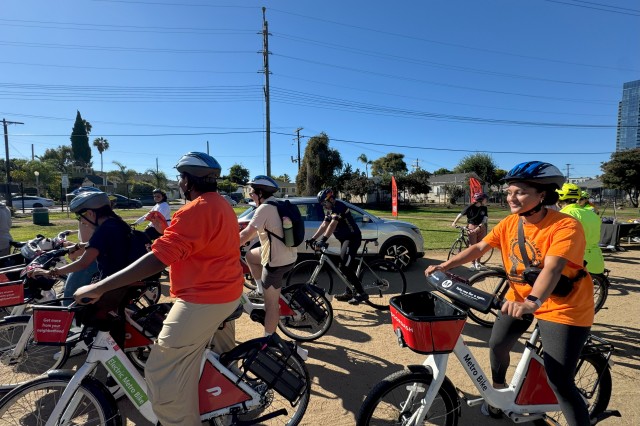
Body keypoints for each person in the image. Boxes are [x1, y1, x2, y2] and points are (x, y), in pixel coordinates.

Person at [74, 152, 243, 426]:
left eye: (180, 179)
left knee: (160, 369)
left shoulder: (195, 209)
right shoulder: (222, 204)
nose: (179, 184)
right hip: (226, 292)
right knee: (198, 357)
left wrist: (101, 286)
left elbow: (158, 259)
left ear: (188, 181)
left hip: (203, 298)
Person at [425, 161, 594, 425]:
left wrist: (532, 302)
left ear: (543, 195)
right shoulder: (510, 223)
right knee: (498, 345)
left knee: (559, 380)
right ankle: (499, 396)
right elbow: (480, 247)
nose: (511, 198)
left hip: (563, 305)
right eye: (509, 192)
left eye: (520, 192)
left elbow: (553, 267)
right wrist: (445, 265)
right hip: (520, 297)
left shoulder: (565, 226)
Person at [239, 175, 297, 336]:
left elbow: (246, 233)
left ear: (260, 192)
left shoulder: (264, 208)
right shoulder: (277, 204)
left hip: (276, 262)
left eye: (251, 192)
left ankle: (268, 340)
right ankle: (259, 288)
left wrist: (224, 248)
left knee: (270, 305)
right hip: (289, 255)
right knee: (250, 256)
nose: (250, 195)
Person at [309, 188, 368, 305]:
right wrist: (313, 238)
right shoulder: (330, 210)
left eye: (324, 203)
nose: (324, 206)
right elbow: (324, 225)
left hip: (352, 239)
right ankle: (350, 292)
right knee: (342, 266)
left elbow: (333, 224)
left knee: (345, 267)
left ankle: (362, 293)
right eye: (322, 204)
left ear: (330, 199)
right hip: (345, 240)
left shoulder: (339, 207)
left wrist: (323, 240)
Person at [556, 183, 605, 276]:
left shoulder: (563, 215)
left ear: (559, 201)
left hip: (574, 261)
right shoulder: (592, 214)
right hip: (595, 259)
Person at [451, 192, 489, 269]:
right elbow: (460, 214)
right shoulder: (470, 207)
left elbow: (484, 220)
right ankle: (472, 263)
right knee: (472, 247)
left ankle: (478, 263)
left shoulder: (484, 208)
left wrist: (479, 228)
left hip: (481, 228)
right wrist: (454, 222)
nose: (486, 201)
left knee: (481, 246)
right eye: (485, 199)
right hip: (471, 227)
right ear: (480, 200)